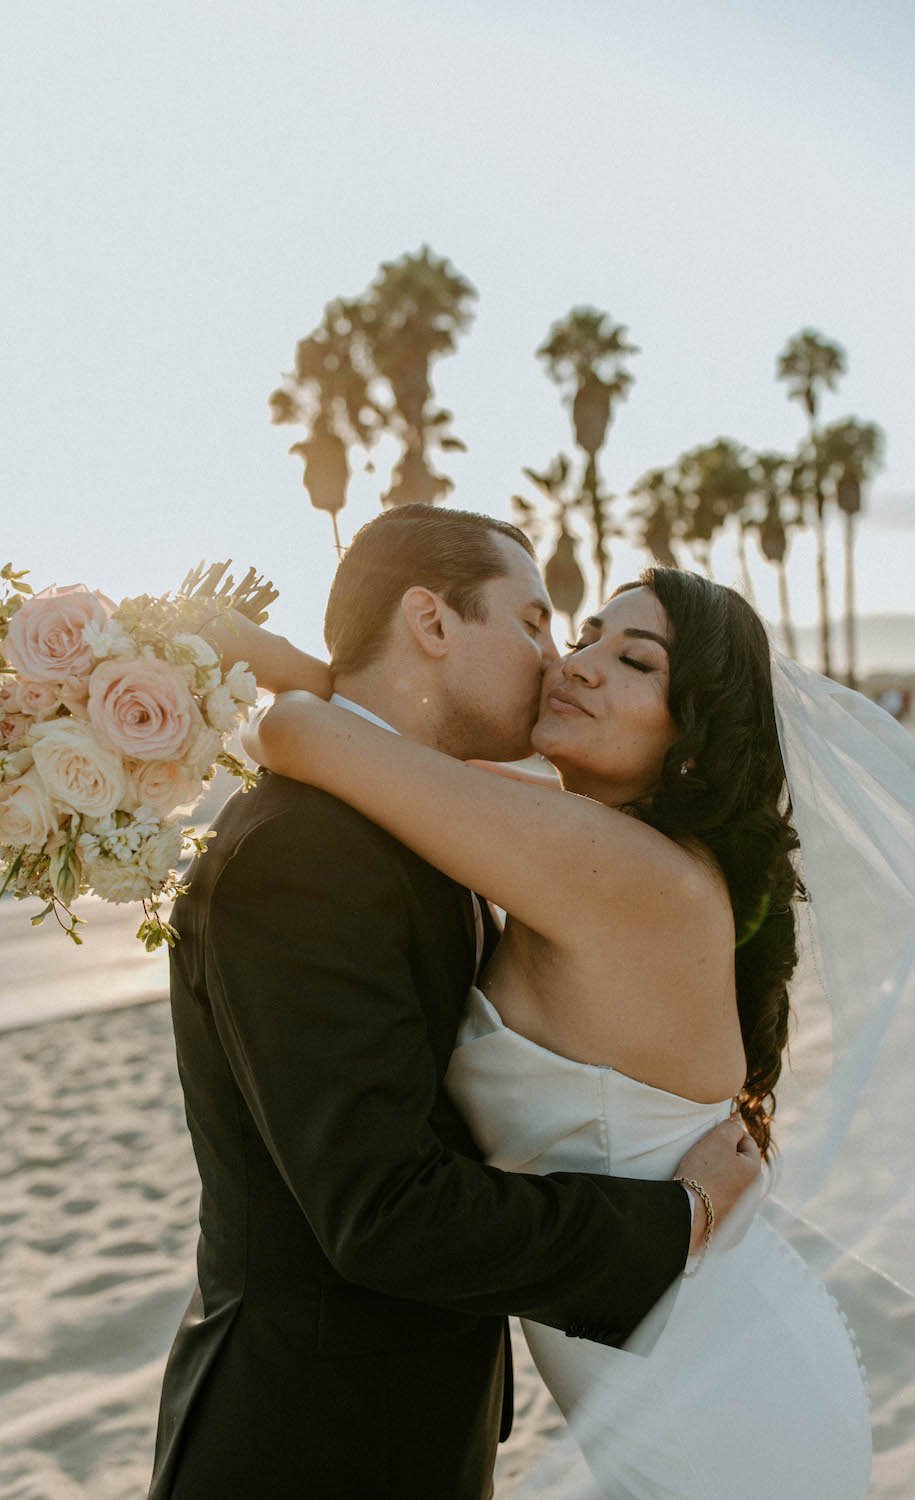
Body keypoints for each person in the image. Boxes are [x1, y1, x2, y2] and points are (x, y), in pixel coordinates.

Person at [237, 537, 876, 1497]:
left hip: (718, 1400)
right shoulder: (601, 840)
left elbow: (303, 734)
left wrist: (220, 649)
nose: (578, 663)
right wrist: (285, 660)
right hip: (688, 1355)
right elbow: (380, 737)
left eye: (637, 662)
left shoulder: (620, 871)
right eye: (584, 636)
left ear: (693, 734)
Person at [148, 505, 761, 1500]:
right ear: (432, 625)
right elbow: (382, 1212)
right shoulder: (305, 857)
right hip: (307, 1443)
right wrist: (678, 1220)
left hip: (430, 1422)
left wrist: (291, 672)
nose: (559, 663)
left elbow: (342, 729)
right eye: (538, 626)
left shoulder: (471, 826)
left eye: (622, 655)